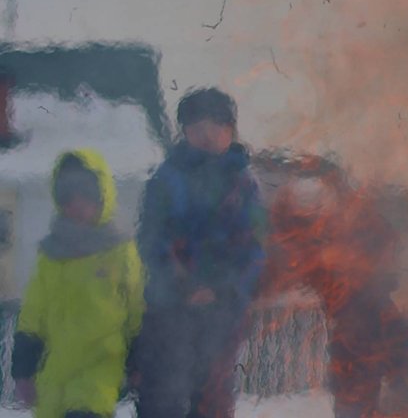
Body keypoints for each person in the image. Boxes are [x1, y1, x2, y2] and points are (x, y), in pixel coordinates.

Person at [133, 87, 268, 418]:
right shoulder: (167, 179)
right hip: (170, 310)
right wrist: (183, 286)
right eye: (197, 124)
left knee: (212, 399)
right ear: (184, 130)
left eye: (217, 123)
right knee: (161, 395)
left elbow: (256, 250)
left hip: (221, 314)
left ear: (230, 129)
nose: (207, 133)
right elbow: (151, 240)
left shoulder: (244, 185)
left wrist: (223, 290)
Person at [264, 158, 408, 418]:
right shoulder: (302, 231)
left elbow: (385, 246)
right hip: (352, 324)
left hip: (372, 315)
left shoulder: (362, 220)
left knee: (402, 384)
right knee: (357, 392)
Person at [10, 149, 145, 418]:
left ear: (102, 196)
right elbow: (34, 312)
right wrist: (23, 369)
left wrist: (140, 359)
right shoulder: (51, 254)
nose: (78, 207)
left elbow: (136, 307)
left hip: (100, 365)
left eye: (86, 197)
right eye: (68, 199)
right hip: (55, 369)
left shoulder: (119, 249)